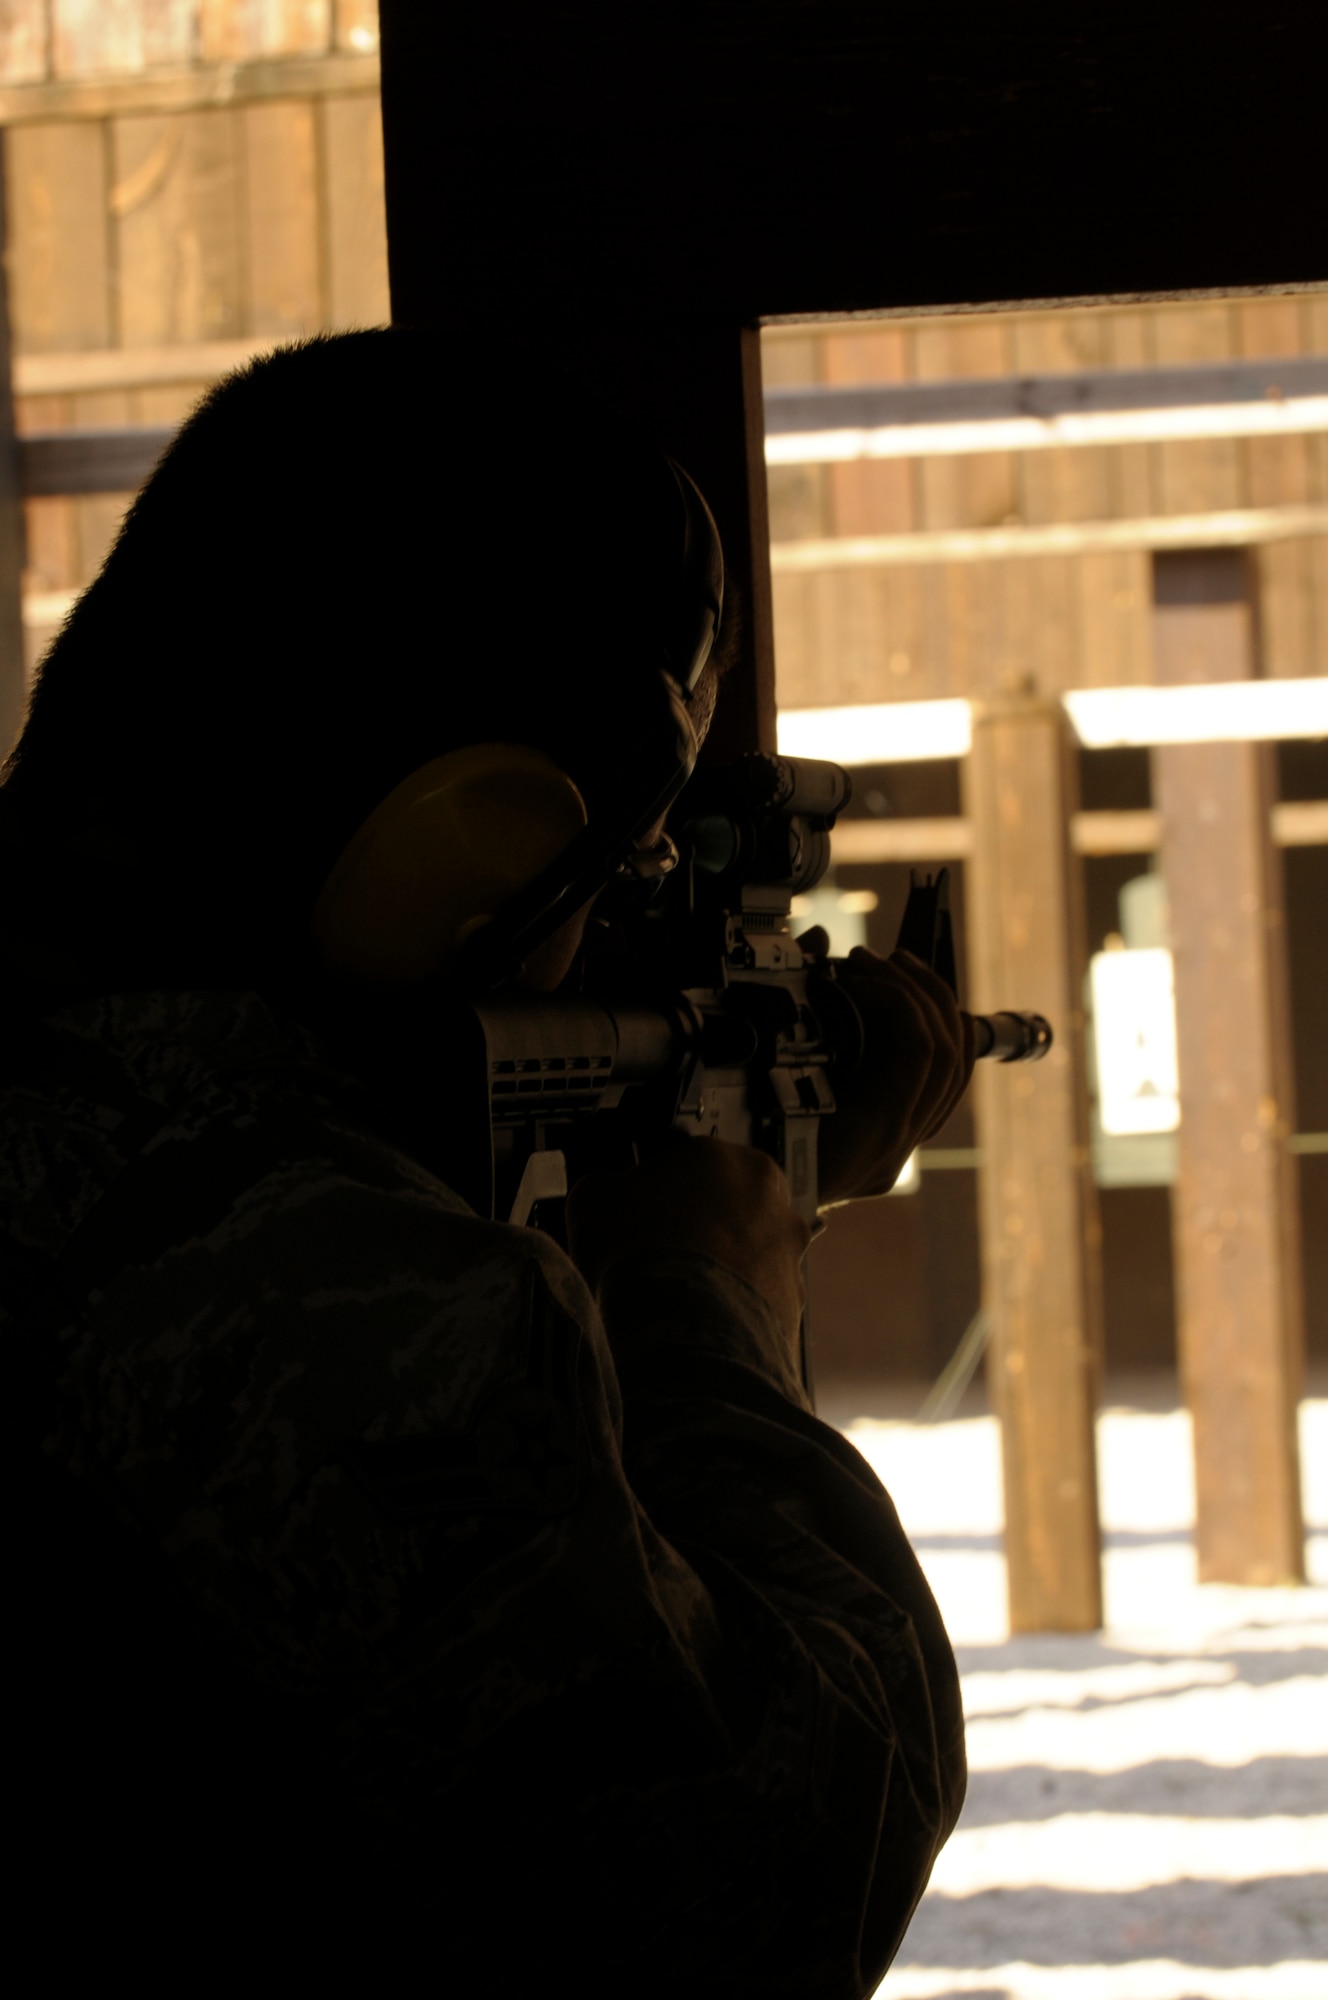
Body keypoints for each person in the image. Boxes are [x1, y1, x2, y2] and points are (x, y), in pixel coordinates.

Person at [0, 330, 972, 1993]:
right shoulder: (306, 1276)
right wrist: (708, 1298)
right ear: (469, 837)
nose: (590, 941)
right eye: (604, 872)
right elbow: (778, 1879)